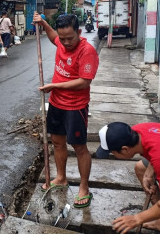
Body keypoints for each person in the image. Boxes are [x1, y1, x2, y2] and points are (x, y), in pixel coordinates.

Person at [33, 12, 99, 208]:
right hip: (56, 104)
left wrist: (55, 86)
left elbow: (84, 81)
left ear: (79, 32)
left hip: (75, 107)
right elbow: (53, 35)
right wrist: (43, 22)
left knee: (79, 147)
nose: (65, 42)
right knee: (58, 143)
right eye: (63, 39)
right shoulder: (61, 41)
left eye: (70, 38)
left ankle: (84, 187)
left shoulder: (87, 51)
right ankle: (61, 178)